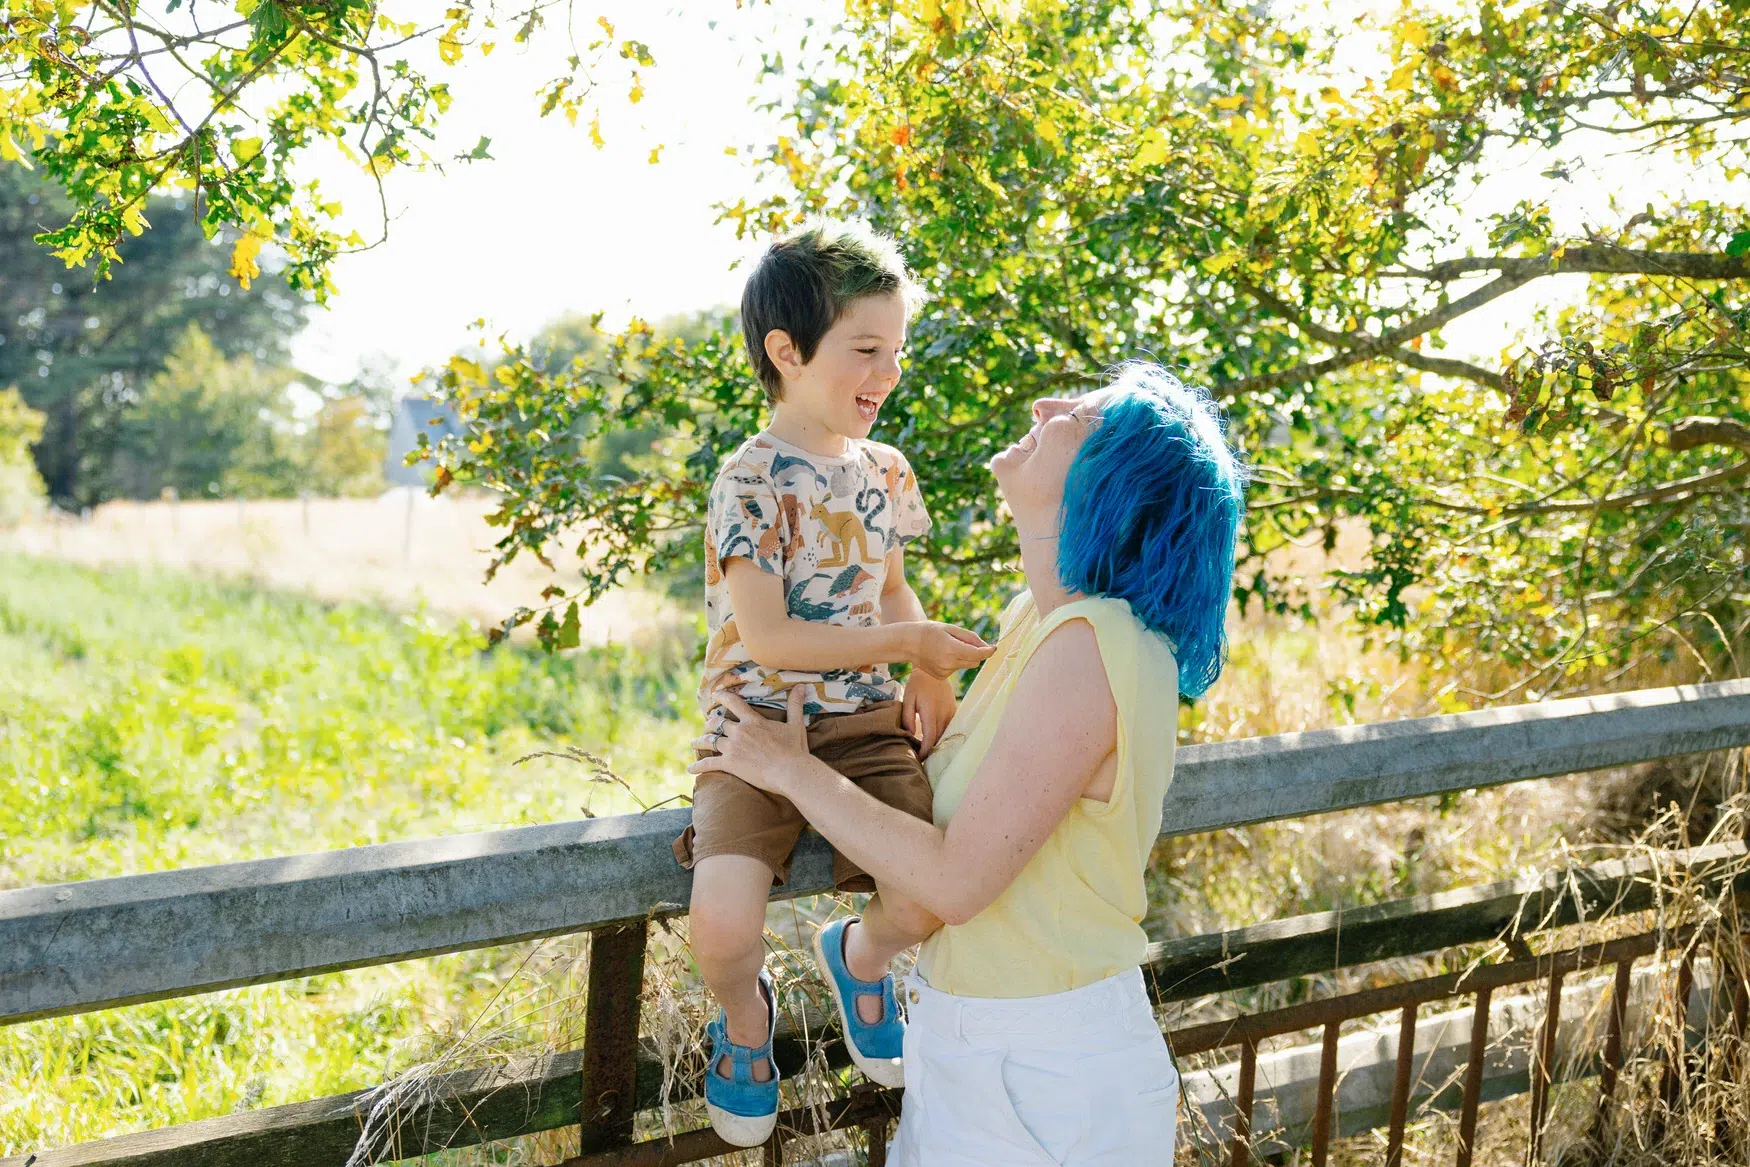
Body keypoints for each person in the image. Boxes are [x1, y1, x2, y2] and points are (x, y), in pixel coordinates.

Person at [692, 362, 1248, 1165]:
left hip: (1050, 1072)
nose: (1043, 401)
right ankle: (858, 957)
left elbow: (953, 881)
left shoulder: (1098, 644)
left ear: (1111, 485)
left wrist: (790, 767)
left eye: (1078, 417)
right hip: (970, 1045)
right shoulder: (1039, 619)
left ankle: (855, 954)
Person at [676, 221, 996, 1146]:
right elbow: (769, 636)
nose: (886, 373)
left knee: (932, 893)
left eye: (895, 352)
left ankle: (859, 958)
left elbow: (892, 588)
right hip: (753, 727)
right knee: (723, 923)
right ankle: (744, 1022)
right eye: (865, 350)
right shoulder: (749, 479)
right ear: (786, 351)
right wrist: (909, 639)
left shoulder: (885, 472)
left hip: (859, 722)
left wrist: (925, 670)